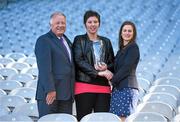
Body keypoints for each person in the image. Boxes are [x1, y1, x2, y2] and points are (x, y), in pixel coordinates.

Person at [72, 10, 114, 121]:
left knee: (103, 120)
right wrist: (98, 73)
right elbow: (79, 61)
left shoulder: (106, 41)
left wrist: (106, 67)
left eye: (95, 22)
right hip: (84, 86)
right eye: (89, 22)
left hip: (103, 88)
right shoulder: (79, 40)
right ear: (85, 24)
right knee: (84, 119)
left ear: (99, 23)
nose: (93, 24)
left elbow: (112, 63)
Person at [35, 12, 75, 118]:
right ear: (51, 25)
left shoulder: (67, 41)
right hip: (51, 95)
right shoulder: (44, 40)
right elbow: (44, 69)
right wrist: (50, 90)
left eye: (63, 23)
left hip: (66, 95)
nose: (60, 25)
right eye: (57, 23)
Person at [109, 21, 140, 122]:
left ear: (133, 33)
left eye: (130, 31)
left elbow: (127, 68)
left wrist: (112, 80)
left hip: (127, 88)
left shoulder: (133, 47)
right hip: (119, 88)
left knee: (123, 119)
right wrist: (104, 68)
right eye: (125, 30)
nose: (127, 33)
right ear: (121, 33)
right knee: (117, 118)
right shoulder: (121, 50)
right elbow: (114, 67)